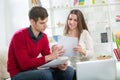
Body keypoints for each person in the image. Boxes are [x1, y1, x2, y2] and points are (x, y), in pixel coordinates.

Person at [7, 6, 74, 80]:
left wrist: (57, 65)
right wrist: (50, 56)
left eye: (46, 22)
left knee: (69, 71)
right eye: (42, 23)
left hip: (33, 71)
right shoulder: (19, 36)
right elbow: (24, 64)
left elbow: (48, 60)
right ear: (32, 22)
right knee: (45, 74)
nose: (45, 26)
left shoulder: (44, 37)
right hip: (18, 74)